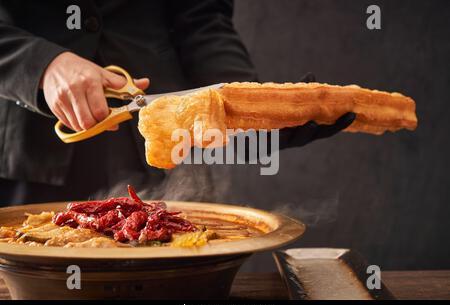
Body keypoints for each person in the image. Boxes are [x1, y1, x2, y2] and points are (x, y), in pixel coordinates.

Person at [0, 0, 354, 206]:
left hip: (159, 142)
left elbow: (201, 20)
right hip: (25, 149)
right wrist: (40, 65)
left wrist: (246, 105)